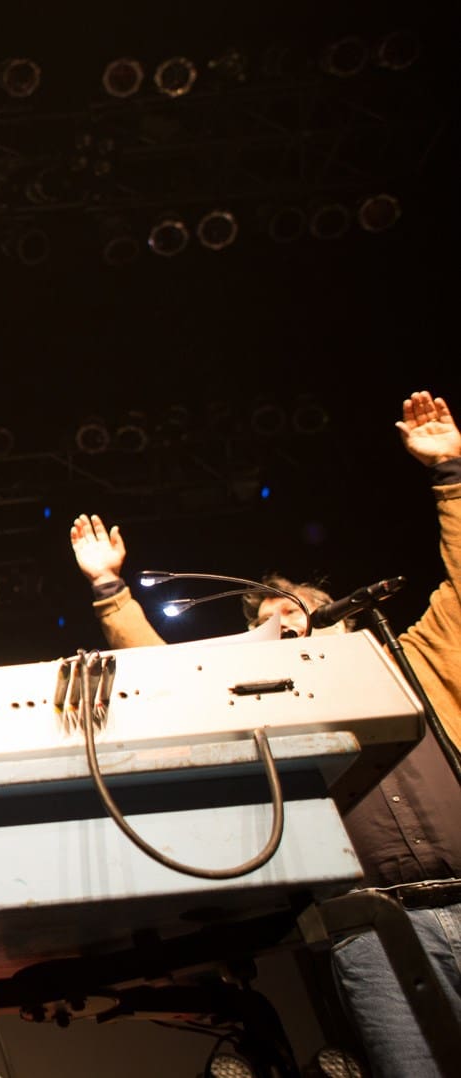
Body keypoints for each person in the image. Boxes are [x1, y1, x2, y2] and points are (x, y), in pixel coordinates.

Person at [67, 389, 461, 1077]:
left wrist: (451, 476)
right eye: (268, 621)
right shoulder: (271, 701)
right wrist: (110, 591)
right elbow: (173, 681)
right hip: (374, 925)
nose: (285, 622)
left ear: (341, 618)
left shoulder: (413, 657)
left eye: (299, 610)